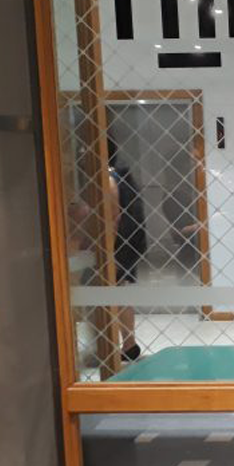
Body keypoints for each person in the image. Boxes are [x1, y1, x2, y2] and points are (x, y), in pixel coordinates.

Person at [107, 138, 147, 362]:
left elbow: (113, 217)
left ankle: (123, 343)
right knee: (120, 292)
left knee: (115, 292)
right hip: (129, 243)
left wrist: (107, 253)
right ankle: (128, 343)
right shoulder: (122, 175)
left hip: (117, 245)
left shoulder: (109, 178)